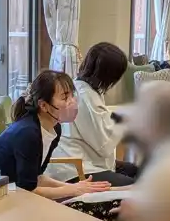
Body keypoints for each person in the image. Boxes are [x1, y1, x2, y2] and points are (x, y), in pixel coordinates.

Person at [0, 69, 111, 200]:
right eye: (65, 98)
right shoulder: (28, 133)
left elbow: (38, 177)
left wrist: (74, 187)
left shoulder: (54, 128)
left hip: (17, 193)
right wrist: (72, 189)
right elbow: (28, 189)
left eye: (72, 95)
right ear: (44, 105)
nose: (72, 101)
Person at [48, 42, 138, 186]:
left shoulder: (81, 87)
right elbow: (103, 145)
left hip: (82, 158)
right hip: (74, 168)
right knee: (133, 184)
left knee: (137, 171)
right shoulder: (85, 96)